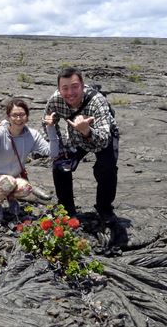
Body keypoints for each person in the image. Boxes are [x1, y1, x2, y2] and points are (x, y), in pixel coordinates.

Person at [43, 67, 119, 224]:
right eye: (65, 88)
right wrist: (59, 146)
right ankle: (67, 210)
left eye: (75, 86)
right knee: (60, 164)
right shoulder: (55, 100)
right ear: (59, 89)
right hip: (76, 137)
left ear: (83, 85)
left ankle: (104, 208)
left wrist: (87, 131)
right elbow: (48, 122)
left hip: (102, 136)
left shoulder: (98, 102)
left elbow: (104, 139)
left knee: (107, 169)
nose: (70, 93)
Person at [0, 98, 59, 223]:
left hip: (12, 179)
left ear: (27, 116)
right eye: (14, 115)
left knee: (26, 188)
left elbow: (53, 153)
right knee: (9, 181)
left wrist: (51, 128)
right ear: (8, 117)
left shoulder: (32, 135)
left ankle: (11, 198)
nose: (18, 119)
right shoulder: (0, 133)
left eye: (22, 115)